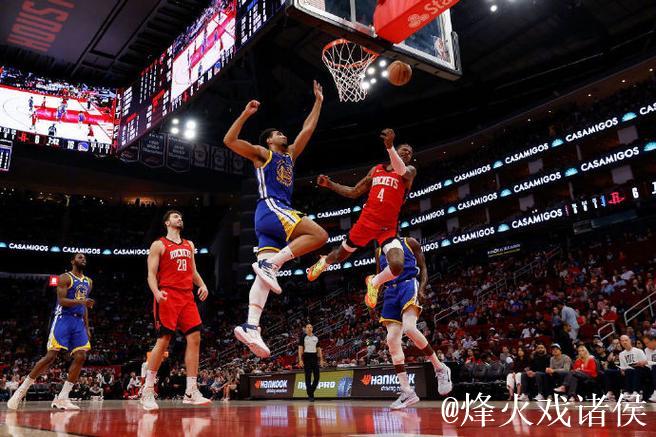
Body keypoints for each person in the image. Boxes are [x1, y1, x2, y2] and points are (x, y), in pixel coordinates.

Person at [223, 81, 328, 357]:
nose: (284, 135)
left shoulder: (290, 155)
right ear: (269, 140)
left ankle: (251, 326)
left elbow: (307, 129)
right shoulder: (263, 154)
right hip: (272, 207)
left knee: (264, 280)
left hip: (271, 221)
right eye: (278, 133)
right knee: (320, 235)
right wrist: (245, 114)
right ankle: (272, 263)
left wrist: (318, 101)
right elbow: (229, 141)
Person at [308, 129, 417, 309]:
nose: (407, 152)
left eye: (410, 152)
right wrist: (330, 184)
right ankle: (324, 262)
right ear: (397, 151)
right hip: (365, 224)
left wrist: (390, 147)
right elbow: (354, 192)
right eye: (404, 149)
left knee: (397, 266)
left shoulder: (409, 172)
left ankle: (374, 282)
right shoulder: (376, 170)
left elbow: (401, 169)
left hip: (387, 228)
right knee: (339, 256)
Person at [140, 210, 211, 410]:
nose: (179, 218)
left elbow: (193, 271)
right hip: (167, 294)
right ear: (166, 223)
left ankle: (191, 390)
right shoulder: (159, 244)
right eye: (175, 216)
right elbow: (151, 274)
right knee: (164, 340)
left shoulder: (189, 245)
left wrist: (202, 285)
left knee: (195, 338)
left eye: (180, 216)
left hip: (187, 296)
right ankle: (147, 390)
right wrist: (156, 292)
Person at [8, 253, 94, 410]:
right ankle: (21, 391)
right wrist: (82, 301)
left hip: (78, 322)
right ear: (72, 261)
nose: (83, 259)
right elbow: (62, 301)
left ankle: (63, 397)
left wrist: (87, 326)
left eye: (84, 258)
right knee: (51, 356)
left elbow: (85, 306)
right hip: (63, 319)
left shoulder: (88, 281)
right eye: (80, 257)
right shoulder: (65, 277)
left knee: (81, 356)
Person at [374, 237, 451, 409]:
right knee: (391, 341)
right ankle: (407, 391)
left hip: (408, 285)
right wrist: (373, 296)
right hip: (390, 293)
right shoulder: (378, 251)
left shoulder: (409, 242)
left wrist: (422, 287)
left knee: (409, 328)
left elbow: (423, 267)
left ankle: (440, 367)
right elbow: (379, 276)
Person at [618, 334, 649, 401]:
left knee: (635, 370)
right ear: (620, 343)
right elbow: (623, 367)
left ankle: (636, 392)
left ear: (630, 341)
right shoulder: (621, 354)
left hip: (642, 370)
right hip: (630, 371)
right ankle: (627, 392)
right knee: (627, 371)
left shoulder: (638, 351)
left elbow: (646, 364)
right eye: (622, 341)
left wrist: (639, 364)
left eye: (626, 340)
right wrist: (622, 370)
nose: (624, 342)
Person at [298, 323, 325, 402]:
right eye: (308, 327)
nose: (309, 328)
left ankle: (310, 391)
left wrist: (321, 359)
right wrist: (300, 360)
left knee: (317, 377)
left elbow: (319, 349)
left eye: (310, 327)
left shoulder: (316, 338)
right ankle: (311, 396)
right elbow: (300, 349)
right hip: (307, 357)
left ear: (312, 328)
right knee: (308, 377)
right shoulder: (303, 337)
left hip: (314, 356)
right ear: (306, 329)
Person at [641, 334, 656, 402]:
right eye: (645, 344)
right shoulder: (646, 350)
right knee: (637, 369)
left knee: (655, 367)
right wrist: (642, 364)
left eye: (647, 343)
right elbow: (648, 363)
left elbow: (650, 362)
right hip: (651, 369)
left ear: (654, 341)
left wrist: (647, 362)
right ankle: (635, 392)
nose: (646, 345)